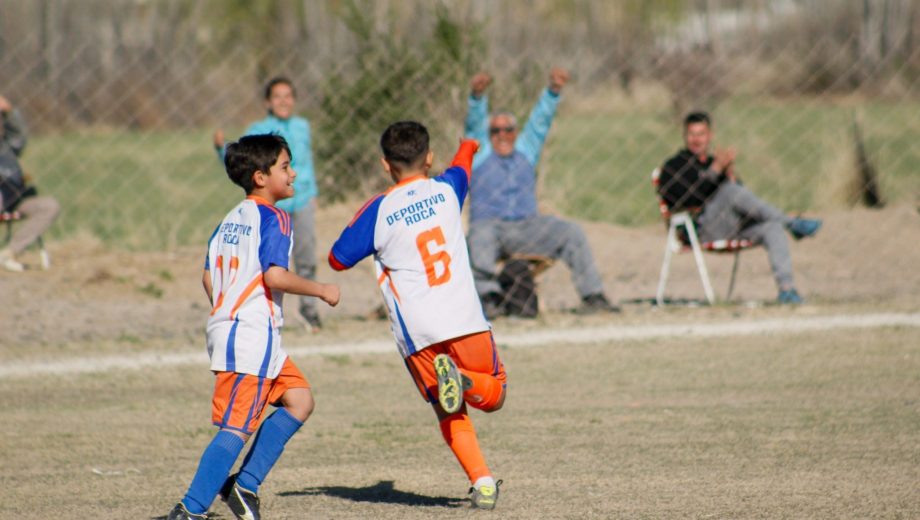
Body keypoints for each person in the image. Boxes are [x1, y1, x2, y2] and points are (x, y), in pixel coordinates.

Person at [329, 122, 506, 510]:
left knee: (448, 408)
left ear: (385, 165)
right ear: (428, 158)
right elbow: (462, 167)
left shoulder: (378, 210)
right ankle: (463, 380)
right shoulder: (446, 191)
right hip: (465, 321)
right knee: (494, 393)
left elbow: (337, 259)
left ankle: (483, 482)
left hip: (418, 334)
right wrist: (470, 146)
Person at [167, 135, 340, 520]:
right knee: (236, 428)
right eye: (285, 167)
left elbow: (208, 276)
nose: (293, 173)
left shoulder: (229, 219)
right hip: (251, 337)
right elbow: (275, 276)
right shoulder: (274, 218)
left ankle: (243, 486)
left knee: (300, 400)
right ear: (261, 177)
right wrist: (321, 289)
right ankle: (190, 510)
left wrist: (228, 308)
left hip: (239, 332)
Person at [463, 69, 618, 317]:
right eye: (496, 131)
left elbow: (540, 122)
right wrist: (477, 98)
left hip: (528, 226)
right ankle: (488, 298)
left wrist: (553, 91)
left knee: (571, 232)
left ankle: (593, 295)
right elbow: (473, 126)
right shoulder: (478, 155)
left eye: (508, 130)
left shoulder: (526, 151)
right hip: (492, 228)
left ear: (516, 132)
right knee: (479, 235)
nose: (502, 135)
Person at [658, 111, 822, 304]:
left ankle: (787, 290)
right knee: (731, 192)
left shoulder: (715, 163)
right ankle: (792, 223)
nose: (696, 140)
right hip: (699, 230)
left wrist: (730, 175)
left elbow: (746, 202)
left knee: (771, 227)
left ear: (710, 135)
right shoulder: (674, 166)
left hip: (733, 228)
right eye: (692, 134)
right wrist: (715, 172)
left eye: (701, 134)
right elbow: (684, 199)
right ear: (684, 136)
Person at [214, 76, 323, 330]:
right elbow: (242, 161)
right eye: (277, 96)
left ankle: (310, 312)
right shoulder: (258, 129)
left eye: (288, 96)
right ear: (267, 102)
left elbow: (307, 163)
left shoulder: (302, 126)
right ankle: (265, 312)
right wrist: (220, 149)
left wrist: (314, 192)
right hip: (274, 207)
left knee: (306, 257)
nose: (283, 101)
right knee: (272, 264)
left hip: (302, 199)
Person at [0, 94, 59, 272]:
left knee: (49, 206)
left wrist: (9, 111)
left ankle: (9, 253)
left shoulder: (6, 148)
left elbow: (19, 135)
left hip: (14, 201)